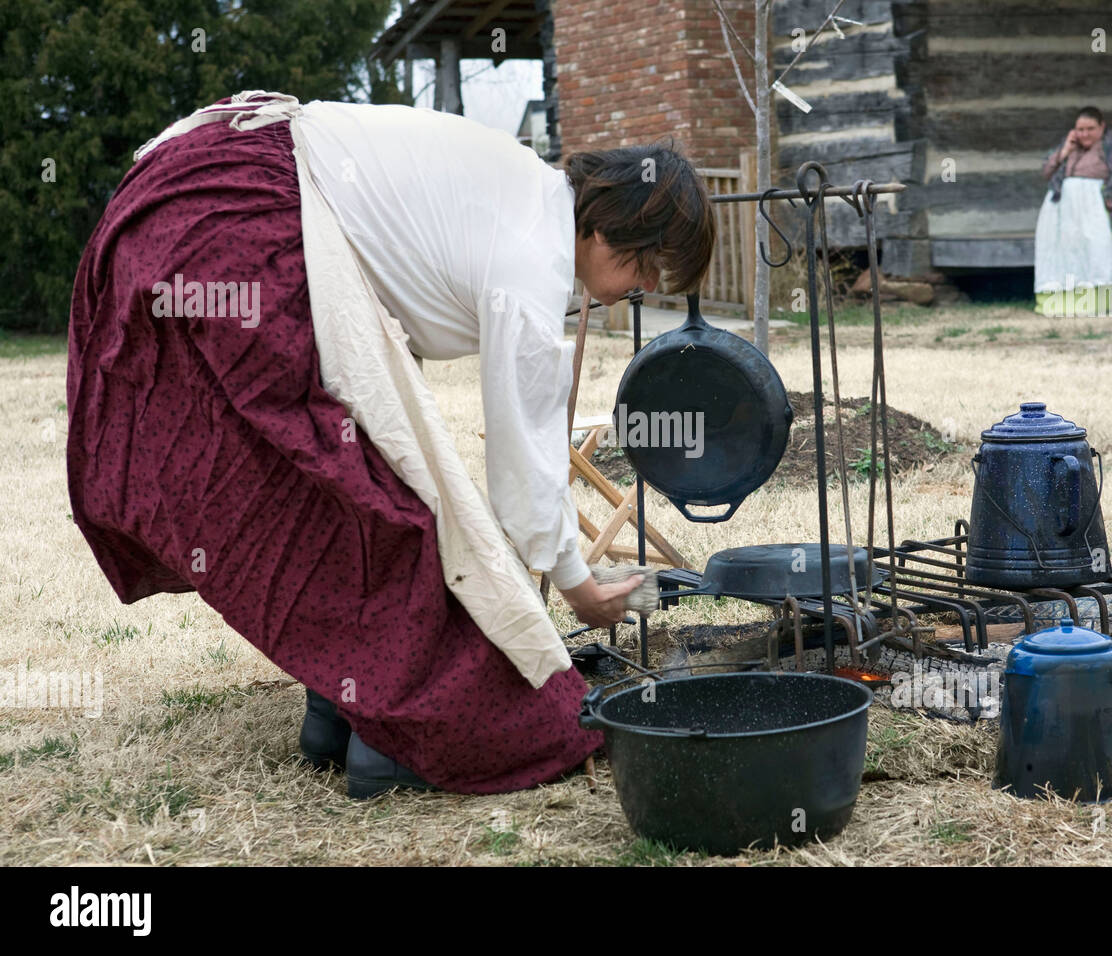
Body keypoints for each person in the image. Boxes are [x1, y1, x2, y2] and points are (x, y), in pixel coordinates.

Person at [66, 92, 715, 797]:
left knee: (338, 494)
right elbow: (523, 463)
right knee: (386, 515)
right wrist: (578, 586)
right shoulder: (536, 256)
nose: (646, 287)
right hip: (241, 222)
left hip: (202, 186)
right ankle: (398, 746)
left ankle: (338, 710)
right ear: (610, 228)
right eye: (648, 267)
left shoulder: (521, 190)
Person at [1034, 106, 1112, 315]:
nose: (1084, 134)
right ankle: (1061, 297)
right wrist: (1065, 151)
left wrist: (1098, 202)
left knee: (1094, 242)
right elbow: (1047, 172)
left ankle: (1096, 298)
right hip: (1068, 214)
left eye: (1090, 129)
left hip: (1100, 208)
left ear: (1102, 126)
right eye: (1080, 129)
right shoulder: (1070, 147)